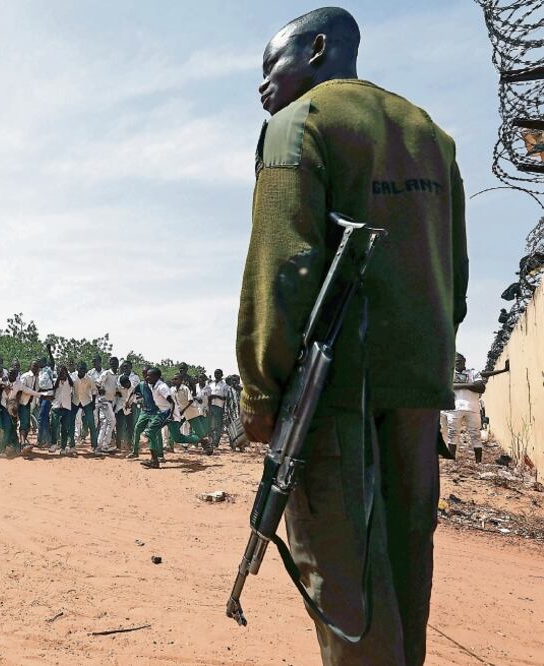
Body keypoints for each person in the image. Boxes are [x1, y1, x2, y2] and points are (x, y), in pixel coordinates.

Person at [237, 8, 468, 664]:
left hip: (332, 397)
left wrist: (259, 393)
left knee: (348, 597)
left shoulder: (297, 126)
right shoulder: (431, 137)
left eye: (269, 68)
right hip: (415, 401)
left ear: (316, 49)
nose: (262, 89)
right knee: (402, 576)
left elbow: (281, 267)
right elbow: (453, 277)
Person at [441, 353, 486, 463]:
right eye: (454, 360)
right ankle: (452, 460)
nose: (457, 362)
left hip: (473, 408)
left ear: (464, 361)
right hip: (454, 408)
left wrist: (459, 385)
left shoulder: (473, 373)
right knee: (453, 433)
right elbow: (448, 387)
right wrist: (471, 385)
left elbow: (481, 388)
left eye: (459, 360)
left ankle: (478, 462)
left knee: (475, 434)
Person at [131, 367, 173, 468]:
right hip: (145, 412)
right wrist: (130, 401)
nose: (145, 376)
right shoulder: (141, 384)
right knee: (137, 429)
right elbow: (134, 391)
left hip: (156, 412)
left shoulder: (158, 385)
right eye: (144, 374)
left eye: (147, 374)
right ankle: (135, 451)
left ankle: (159, 456)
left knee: (156, 434)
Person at [168, 374, 209, 451]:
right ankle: (170, 446)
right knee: (174, 429)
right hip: (179, 413)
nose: (174, 380)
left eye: (176, 379)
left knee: (199, 431)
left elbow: (190, 400)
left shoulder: (185, 388)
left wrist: (183, 410)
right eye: (173, 379)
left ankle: (206, 445)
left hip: (190, 412)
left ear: (181, 380)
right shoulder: (172, 390)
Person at [70, 361, 99, 452]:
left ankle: (94, 445)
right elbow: (69, 388)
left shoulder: (89, 378)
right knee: (71, 422)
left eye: (84, 370)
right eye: (80, 369)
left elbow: (94, 390)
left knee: (91, 423)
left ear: (86, 370)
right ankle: (71, 444)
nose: (82, 371)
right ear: (77, 369)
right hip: (75, 401)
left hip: (86, 402)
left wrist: (93, 402)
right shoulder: (72, 376)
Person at [94, 356, 120, 453]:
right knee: (112, 421)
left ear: (118, 364)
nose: (114, 364)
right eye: (112, 363)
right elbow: (96, 383)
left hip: (110, 401)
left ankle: (100, 446)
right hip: (104, 401)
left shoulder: (116, 375)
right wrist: (100, 389)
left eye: (115, 362)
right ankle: (104, 444)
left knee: (105, 423)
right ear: (110, 364)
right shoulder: (106, 373)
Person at [48, 365, 75, 454]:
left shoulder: (69, 381)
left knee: (65, 428)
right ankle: (54, 443)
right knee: (54, 425)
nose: (62, 373)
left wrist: (67, 374)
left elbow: (72, 384)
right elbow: (54, 387)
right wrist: (59, 377)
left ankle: (63, 447)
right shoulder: (56, 381)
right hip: (56, 406)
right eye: (60, 372)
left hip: (66, 407)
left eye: (63, 372)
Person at [202, 369, 230, 451]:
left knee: (218, 425)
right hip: (210, 406)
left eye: (218, 373)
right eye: (215, 373)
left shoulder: (225, 386)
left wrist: (216, 396)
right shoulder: (210, 384)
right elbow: (206, 395)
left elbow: (225, 397)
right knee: (209, 425)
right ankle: (210, 442)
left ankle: (216, 442)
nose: (217, 375)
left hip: (219, 406)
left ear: (221, 375)